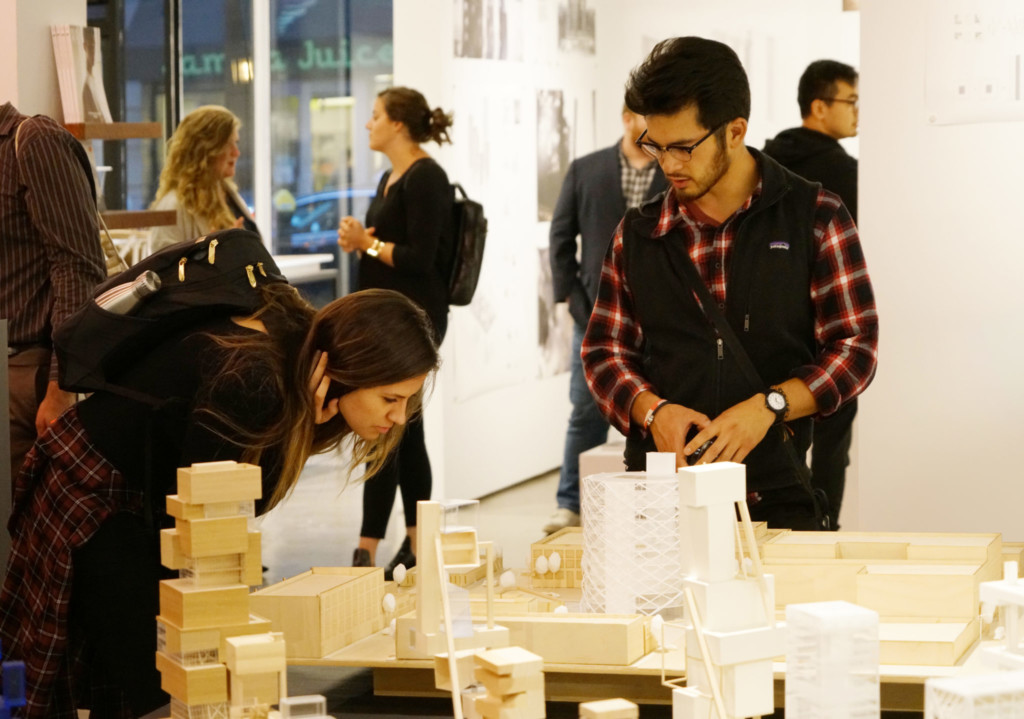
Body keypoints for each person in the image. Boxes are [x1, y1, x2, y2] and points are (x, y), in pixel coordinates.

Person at [0, 283, 440, 717]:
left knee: (153, 678)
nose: (399, 417)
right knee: (159, 687)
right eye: (390, 398)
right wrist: (298, 433)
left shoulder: (295, 343)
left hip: (128, 495)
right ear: (350, 372)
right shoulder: (257, 378)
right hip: (91, 493)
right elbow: (219, 513)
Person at [581, 37, 878, 530]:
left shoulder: (816, 216)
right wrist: (653, 412)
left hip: (775, 497)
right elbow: (602, 353)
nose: (669, 164)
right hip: (660, 502)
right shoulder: (637, 234)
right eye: (655, 145)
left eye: (684, 147)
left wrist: (772, 405)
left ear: (735, 131)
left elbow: (855, 347)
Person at [337, 87, 453, 579]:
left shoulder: (428, 177)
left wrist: (368, 243)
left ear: (399, 125)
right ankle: (398, 544)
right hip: (387, 322)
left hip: (415, 323)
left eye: (376, 115)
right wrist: (361, 244)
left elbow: (420, 258)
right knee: (397, 433)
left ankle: (383, 546)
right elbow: (385, 249)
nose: (369, 124)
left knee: (396, 429)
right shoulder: (390, 177)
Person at [542, 107, 668, 535]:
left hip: (660, 318)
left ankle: (650, 503)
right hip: (596, 315)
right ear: (625, 117)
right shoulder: (586, 169)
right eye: (642, 116)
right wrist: (574, 300)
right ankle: (571, 502)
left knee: (656, 408)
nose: (648, 126)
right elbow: (560, 239)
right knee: (585, 409)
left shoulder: (673, 169)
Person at [763, 59, 860, 529]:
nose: (857, 112)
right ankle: (823, 527)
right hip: (828, 328)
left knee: (778, 430)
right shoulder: (844, 173)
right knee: (833, 431)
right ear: (819, 107)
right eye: (851, 101)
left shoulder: (768, 158)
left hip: (774, 324)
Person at [1, 102, 106, 487]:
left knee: (19, 538)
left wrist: (63, 388)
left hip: (24, 373)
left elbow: (79, 268)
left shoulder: (32, 142)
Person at [150, 105, 259, 250]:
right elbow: (164, 268)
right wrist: (218, 252)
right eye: (228, 144)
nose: (236, 152)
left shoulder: (228, 194)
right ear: (205, 150)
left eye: (236, 143)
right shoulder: (172, 206)